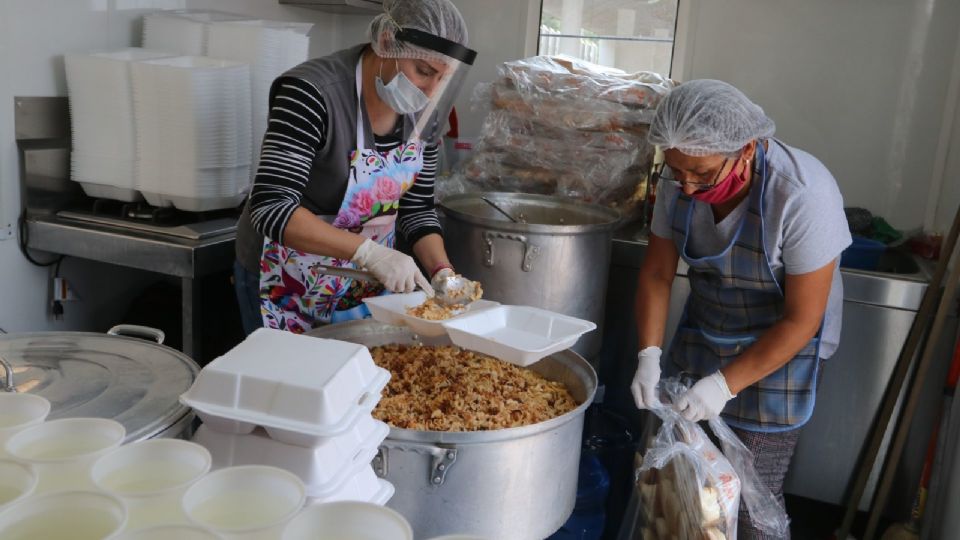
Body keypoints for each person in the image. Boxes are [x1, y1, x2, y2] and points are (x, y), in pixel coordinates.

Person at [631, 79, 851, 538]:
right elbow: (656, 275)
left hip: (785, 344)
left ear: (746, 148)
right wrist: (648, 355)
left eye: (703, 175)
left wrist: (724, 384)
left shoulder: (802, 194)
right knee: (684, 486)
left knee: (751, 498)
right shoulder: (680, 179)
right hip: (711, 323)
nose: (687, 188)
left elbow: (803, 319)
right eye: (677, 172)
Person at [232, 0, 477, 335]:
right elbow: (271, 207)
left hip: (363, 283)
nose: (431, 91)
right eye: (423, 71)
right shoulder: (311, 93)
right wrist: (370, 253)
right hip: (286, 278)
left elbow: (417, 209)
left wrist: (442, 272)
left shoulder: (425, 114)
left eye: (443, 79)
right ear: (388, 42)